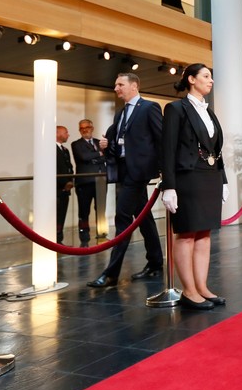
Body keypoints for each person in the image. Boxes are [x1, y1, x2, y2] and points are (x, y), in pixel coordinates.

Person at [161, 64, 228, 311]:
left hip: (209, 177)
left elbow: (217, 149)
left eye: (211, 76)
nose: (211, 81)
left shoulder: (209, 112)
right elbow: (167, 149)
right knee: (187, 233)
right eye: (206, 76)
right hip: (187, 178)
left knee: (204, 234)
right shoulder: (176, 109)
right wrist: (169, 186)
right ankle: (188, 291)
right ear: (191, 79)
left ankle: (202, 287)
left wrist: (223, 181)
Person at [88, 73, 164, 288]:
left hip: (138, 174)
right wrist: (106, 145)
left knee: (122, 218)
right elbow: (119, 143)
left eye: (120, 84)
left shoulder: (150, 107)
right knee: (144, 218)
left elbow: (161, 139)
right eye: (115, 85)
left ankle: (111, 273)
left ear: (134, 86)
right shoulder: (120, 114)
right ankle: (156, 263)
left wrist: (164, 171)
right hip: (124, 172)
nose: (116, 88)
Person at [71, 119, 107, 248]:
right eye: (82, 128)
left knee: (101, 208)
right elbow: (83, 157)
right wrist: (99, 154)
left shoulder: (99, 142)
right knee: (84, 210)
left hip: (101, 181)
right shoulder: (76, 144)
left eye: (87, 127)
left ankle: (102, 231)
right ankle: (84, 233)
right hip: (85, 182)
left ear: (92, 128)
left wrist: (95, 157)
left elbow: (106, 157)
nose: (85, 129)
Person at [55, 125, 74, 245]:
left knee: (62, 214)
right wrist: (64, 182)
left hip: (65, 189)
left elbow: (69, 167)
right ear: (58, 133)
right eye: (66, 132)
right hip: (56, 189)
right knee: (55, 215)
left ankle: (59, 238)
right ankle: (54, 239)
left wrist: (70, 181)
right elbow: (55, 168)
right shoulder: (50, 149)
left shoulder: (65, 150)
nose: (68, 135)